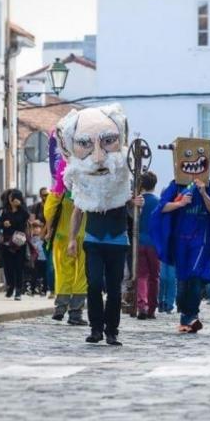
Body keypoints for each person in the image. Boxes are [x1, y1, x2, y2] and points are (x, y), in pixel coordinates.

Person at [60, 103, 142, 346]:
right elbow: (78, 211)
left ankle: (112, 331)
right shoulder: (87, 185)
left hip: (117, 240)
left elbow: (130, 205)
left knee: (114, 290)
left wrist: (135, 202)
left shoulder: (121, 179)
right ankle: (96, 328)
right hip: (93, 240)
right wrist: (73, 239)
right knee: (94, 284)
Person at [151, 137, 210, 333]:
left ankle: (191, 315)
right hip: (180, 240)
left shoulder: (209, 186)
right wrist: (179, 203)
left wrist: (203, 193)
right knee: (183, 280)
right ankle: (186, 317)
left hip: (200, 241)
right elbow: (161, 209)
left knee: (195, 276)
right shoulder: (175, 185)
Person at [44, 144, 89, 326]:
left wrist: (48, 229)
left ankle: (60, 308)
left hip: (62, 236)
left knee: (63, 272)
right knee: (82, 274)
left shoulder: (59, 191)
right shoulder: (90, 190)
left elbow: (49, 209)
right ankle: (75, 312)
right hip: (85, 236)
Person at [134, 171, 161, 320]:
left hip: (140, 241)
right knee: (154, 277)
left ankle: (141, 306)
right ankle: (151, 308)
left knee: (141, 275)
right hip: (155, 243)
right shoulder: (159, 201)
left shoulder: (138, 200)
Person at [0, 189, 30, 300]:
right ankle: (10, 286)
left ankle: (18, 290)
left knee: (18, 266)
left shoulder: (23, 211)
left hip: (19, 241)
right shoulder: (5, 210)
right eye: (11, 197)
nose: (12, 199)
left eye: (14, 197)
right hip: (7, 242)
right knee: (8, 266)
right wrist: (4, 223)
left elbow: (25, 218)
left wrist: (21, 206)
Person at [29, 221, 48, 295]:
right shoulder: (31, 238)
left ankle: (44, 290)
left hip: (43, 259)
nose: (36, 229)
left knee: (44, 275)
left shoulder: (43, 238)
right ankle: (32, 290)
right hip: (35, 259)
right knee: (34, 275)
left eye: (38, 227)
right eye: (34, 228)